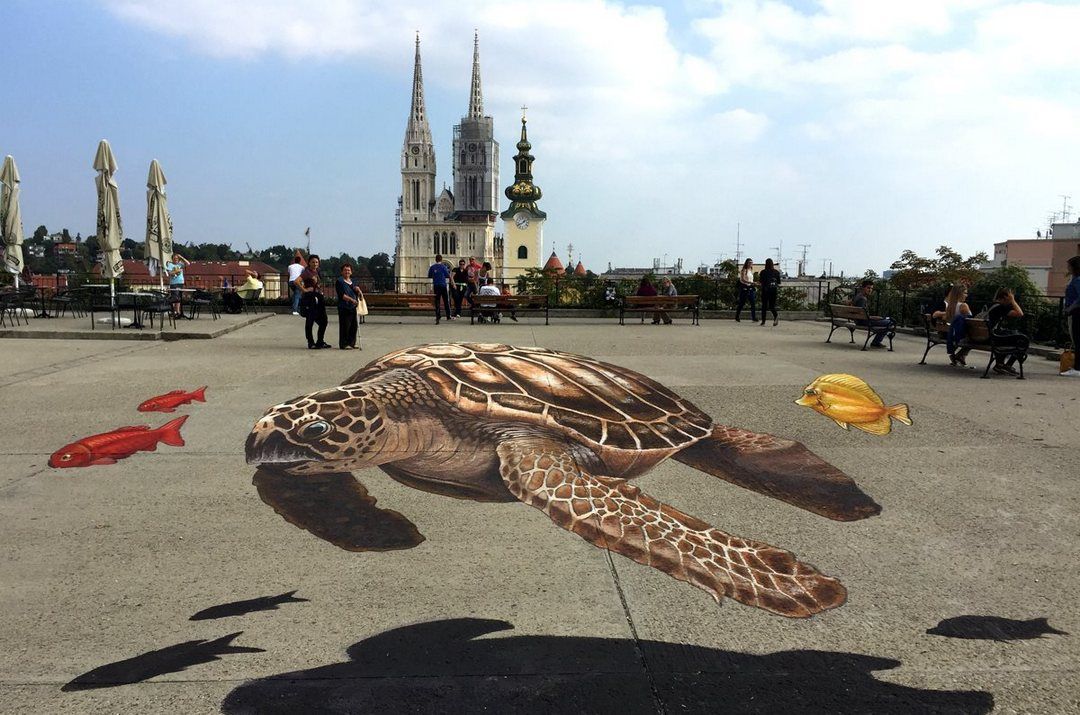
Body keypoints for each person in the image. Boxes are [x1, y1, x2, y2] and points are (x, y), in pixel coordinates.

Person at [986, 287, 1027, 375]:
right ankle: (1004, 365)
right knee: (1022, 341)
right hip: (992, 337)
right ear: (1005, 297)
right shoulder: (1000, 307)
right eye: (1011, 297)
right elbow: (1020, 313)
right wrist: (1013, 301)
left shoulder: (992, 304)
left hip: (986, 335)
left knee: (1011, 335)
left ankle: (1001, 364)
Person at [296, 254, 330, 349]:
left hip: (318, 297)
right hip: (310, 298)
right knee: (310, 320)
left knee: (324, 320)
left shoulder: (317, 271)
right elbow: (296, 281)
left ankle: (320, 341)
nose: (315, 264)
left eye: (316, 262)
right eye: (313, 262)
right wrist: (305, 290)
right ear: (309, 263)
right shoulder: (307, 272)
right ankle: (310, 342)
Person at [851, 279, 894, 348]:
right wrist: (875, 317)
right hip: (863, 321)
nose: (870, 290)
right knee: (890, 322)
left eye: (871, 288)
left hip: (860, 320)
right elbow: (863, 316)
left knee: (885, 321)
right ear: (863, 288)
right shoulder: (862, 299)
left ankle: (876, 341)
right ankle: (876, 342)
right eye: (868, 288)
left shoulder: (858, 296)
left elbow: (861, 313)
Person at [335, 264, 361, 350]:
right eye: (345, 270)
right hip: (344, 306)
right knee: (345, 326)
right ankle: (344, 343)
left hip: (353, 307)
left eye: (348, 270)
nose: (347, 272)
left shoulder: (353, 281)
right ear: (342, 272)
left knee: (354, 325)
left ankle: (352, 342)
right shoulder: (339, 281)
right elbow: (342, 295)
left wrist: (358, 290)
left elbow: (356, 292)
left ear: (351, 272)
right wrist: (351, 300)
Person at [1063, 256, 1080, 377]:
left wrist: (1070, 308)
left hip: (1077, 313)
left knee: (1078, 339)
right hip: (1075, 312)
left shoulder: (1078, 280)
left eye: (1069, 265)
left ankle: (1078, 368)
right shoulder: (1075, 279)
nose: (1067, 268)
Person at [165, 252, 191, 319]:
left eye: (177, 258)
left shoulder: (180, 264)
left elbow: (188, 263)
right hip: (174, 283)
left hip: (180, 282)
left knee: (179, 298)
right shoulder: (170, 265)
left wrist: (181, 257)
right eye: (174, 258)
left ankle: (178, 312)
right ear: (172, 259)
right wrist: (177, 271)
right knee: (175, 297)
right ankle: (174, 311)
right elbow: (170, 273)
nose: (176, 259)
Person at [428, 253, 452, 324]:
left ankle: (438, 315)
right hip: (443, 285)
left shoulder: (432, 267)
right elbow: (447, 275)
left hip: (436, 285)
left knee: (437, 301)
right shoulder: (443, 267)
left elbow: (429, 275)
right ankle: (448, 315)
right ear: (441, 260)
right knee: (446, 301)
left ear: (436, 260)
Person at [758, 258, 781, 326]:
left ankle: (763, 321)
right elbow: (779, 282)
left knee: (764, 306)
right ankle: (775, 316)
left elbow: (761, 281)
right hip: (773, 291)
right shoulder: (776, 272)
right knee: (772, 306)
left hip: (765, 291)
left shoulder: (763, 272)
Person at [734, 258, 757, 323]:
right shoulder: (744, 270)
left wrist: (753, 283)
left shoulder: (750, 270)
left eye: (751, 263)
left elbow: (750, 279)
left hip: (750, 288)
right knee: (742, 303)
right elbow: (743, 279)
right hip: (745, 288)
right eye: (749, 263)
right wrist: (751, 283)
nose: (750, 264)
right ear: (746, 263)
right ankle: (737, 316)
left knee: (753, 303)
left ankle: (753, 317)